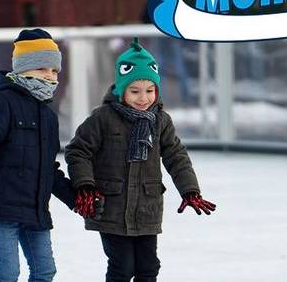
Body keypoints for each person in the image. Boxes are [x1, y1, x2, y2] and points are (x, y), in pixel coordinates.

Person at [65, 38, 216, 282]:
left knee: (148, 267)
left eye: (149, 90)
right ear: (121, 89)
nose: (143, 98)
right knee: (122, 267)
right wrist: (85, 186)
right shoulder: (103, 118)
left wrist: (190, 190)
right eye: (135, 91)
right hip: (112, 208)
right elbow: (77, 151)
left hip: (147, 207)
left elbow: (176, 156)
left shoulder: (160, 121)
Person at [0, 28, 76, 282]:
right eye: (42, 69)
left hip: (35, 208)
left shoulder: (49, 116)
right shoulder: (4, 103)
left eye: (54, 71)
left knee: (44, 271)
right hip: (1, 206)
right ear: (22, 68)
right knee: (8, 271)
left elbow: (48, 169)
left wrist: (75, 198)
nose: (50, 77)